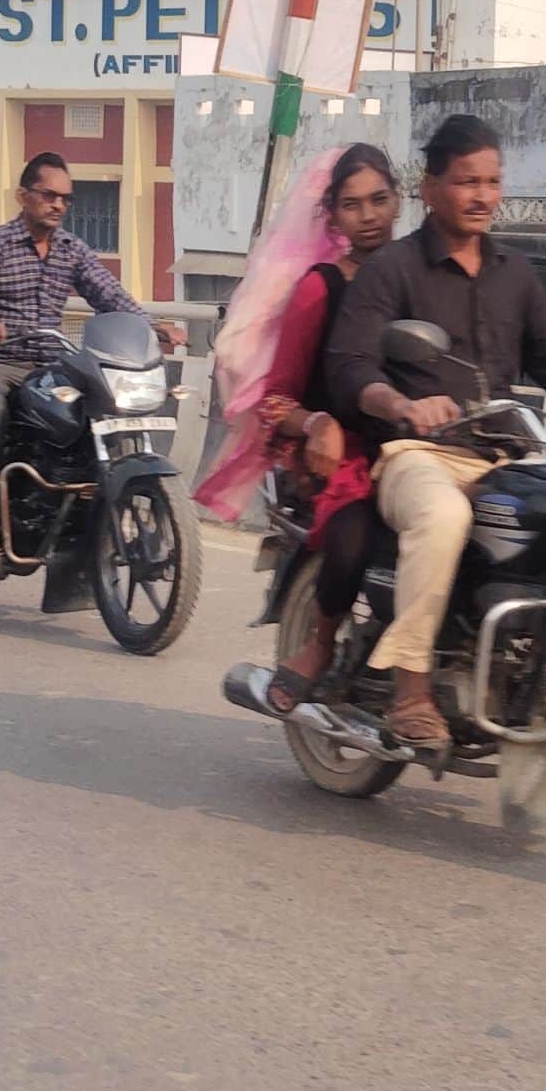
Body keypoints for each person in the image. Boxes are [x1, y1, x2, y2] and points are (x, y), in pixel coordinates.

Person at [327, 114, 546, 745]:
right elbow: (350, 367)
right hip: (417, 455)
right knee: (443, 519)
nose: (483, 196)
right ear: (431, 188)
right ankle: (411, 690)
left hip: (508, 453)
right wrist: (404, 406)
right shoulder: (393, 272)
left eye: (492, 181)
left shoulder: (515, 273)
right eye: (467, 182)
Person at [197, 145, 401, 714]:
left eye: (379, 200)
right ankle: (320, 644)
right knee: (357, 529)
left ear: (400, 201)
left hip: (417, 440)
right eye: (352, 205)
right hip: (341, 454)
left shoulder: (416, 271)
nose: (369, 216)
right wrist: (317, 423)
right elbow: (274, 400)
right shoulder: (322, 287)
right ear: (331, 217)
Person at [0, 151, 184, 557]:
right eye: (49, 195)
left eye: (66, 198)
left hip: (49, 362)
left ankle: (79, 502)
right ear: (23, 196)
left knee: (96, 404)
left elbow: (108, 294)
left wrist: (153, 324)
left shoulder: (71, 250)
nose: (58, 205)